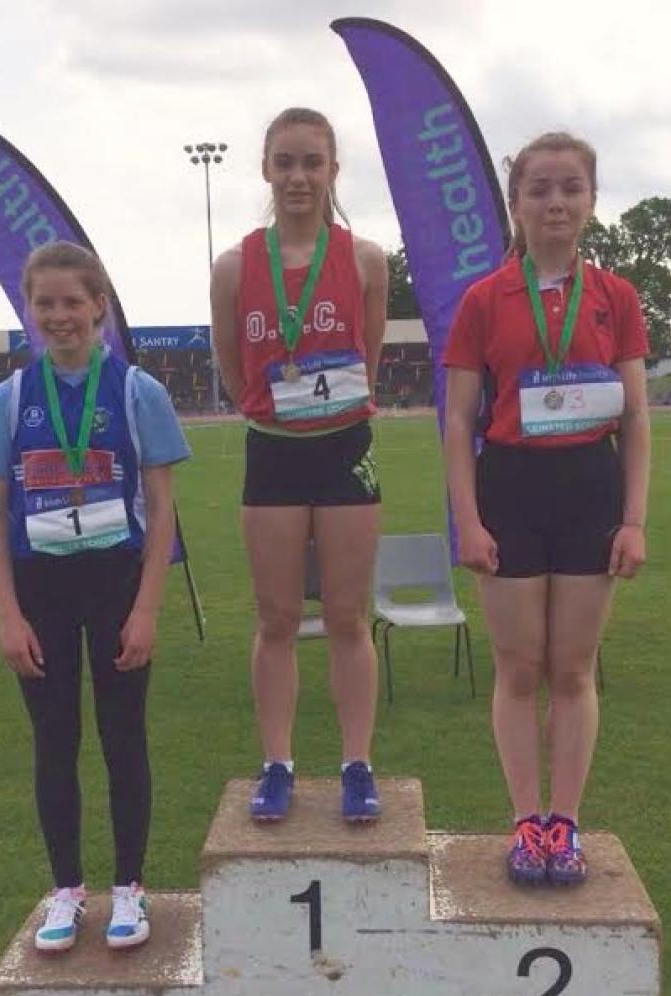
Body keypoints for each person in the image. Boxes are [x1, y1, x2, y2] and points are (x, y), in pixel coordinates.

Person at [0, 242, 190, 949]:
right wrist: (7, 615)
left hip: (117, 581)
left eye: (72, 302)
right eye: (45, 303)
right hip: (41, 588)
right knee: (54, 741)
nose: (59, 316)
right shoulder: (7, 401)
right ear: (30, 309)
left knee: (123, 738)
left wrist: (148, 608)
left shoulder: (136, 391)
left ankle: (130, 886)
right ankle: (66, 890)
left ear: (99, 306)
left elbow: (161, 512)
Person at [443, 132, 650, 885]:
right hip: (510, 489)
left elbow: (635, 420)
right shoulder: (481, 299)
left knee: (573, 667)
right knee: (518, 666)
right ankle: (524, 821)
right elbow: (457, 421)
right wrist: (465, 518)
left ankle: (565, 824)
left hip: (588, 488)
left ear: (590, 200)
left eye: (569, 187)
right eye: (539, 189)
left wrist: (632, 519)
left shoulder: (615, 297)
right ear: (516, 203)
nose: (555, 202)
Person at [210, 107, 388, 823]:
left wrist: (324, 409)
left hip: (344, 449)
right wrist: (282, 407)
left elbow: (367, 361)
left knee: (347, 616)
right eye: (284, 162)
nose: (297, 177)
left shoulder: (365, 260)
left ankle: (356, 764)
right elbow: (231, 368)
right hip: (273, 453)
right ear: (264, 169)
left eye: (311, 162)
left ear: (332, 171)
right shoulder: (233, 267)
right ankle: (277, 762)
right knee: (277, 616)